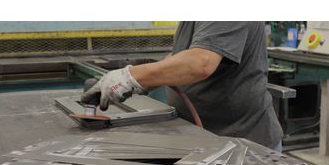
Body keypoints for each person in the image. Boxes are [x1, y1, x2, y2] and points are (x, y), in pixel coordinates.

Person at [81, 21, 283, 151]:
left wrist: (130, 77)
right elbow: (183, 55)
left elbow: (201, 62)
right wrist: (140, 81)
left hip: (240, 142)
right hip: (205, 136)